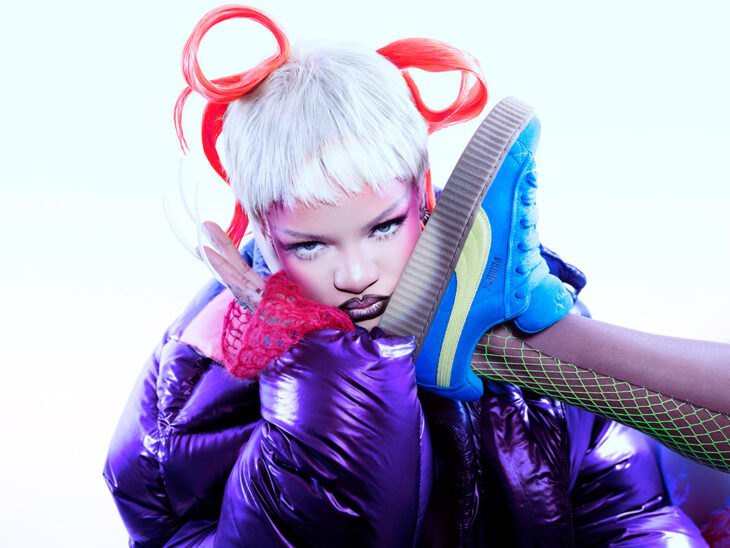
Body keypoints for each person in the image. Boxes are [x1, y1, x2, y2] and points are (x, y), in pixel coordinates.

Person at [104, 5, 724, 546]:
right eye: (310, 245)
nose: (356, 274)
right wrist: (331, 374)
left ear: (423, 196)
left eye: (383, 227)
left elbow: (626, 513)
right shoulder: (199, 377)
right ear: (261, 235)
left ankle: (517, 335)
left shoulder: (490, 303)